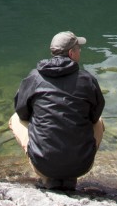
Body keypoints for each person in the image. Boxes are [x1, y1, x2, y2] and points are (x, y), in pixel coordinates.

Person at [9, 30, 105, 190]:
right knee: (100, 122)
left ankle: (48, 175)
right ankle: (70, 174)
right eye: (78, 48)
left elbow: (22, 112)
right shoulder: (87, 80)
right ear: (71, 53)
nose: (80, 51)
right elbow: (95, 115)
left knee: (15, 119)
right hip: (81, 166)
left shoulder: (34, 78)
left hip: (44, 164)